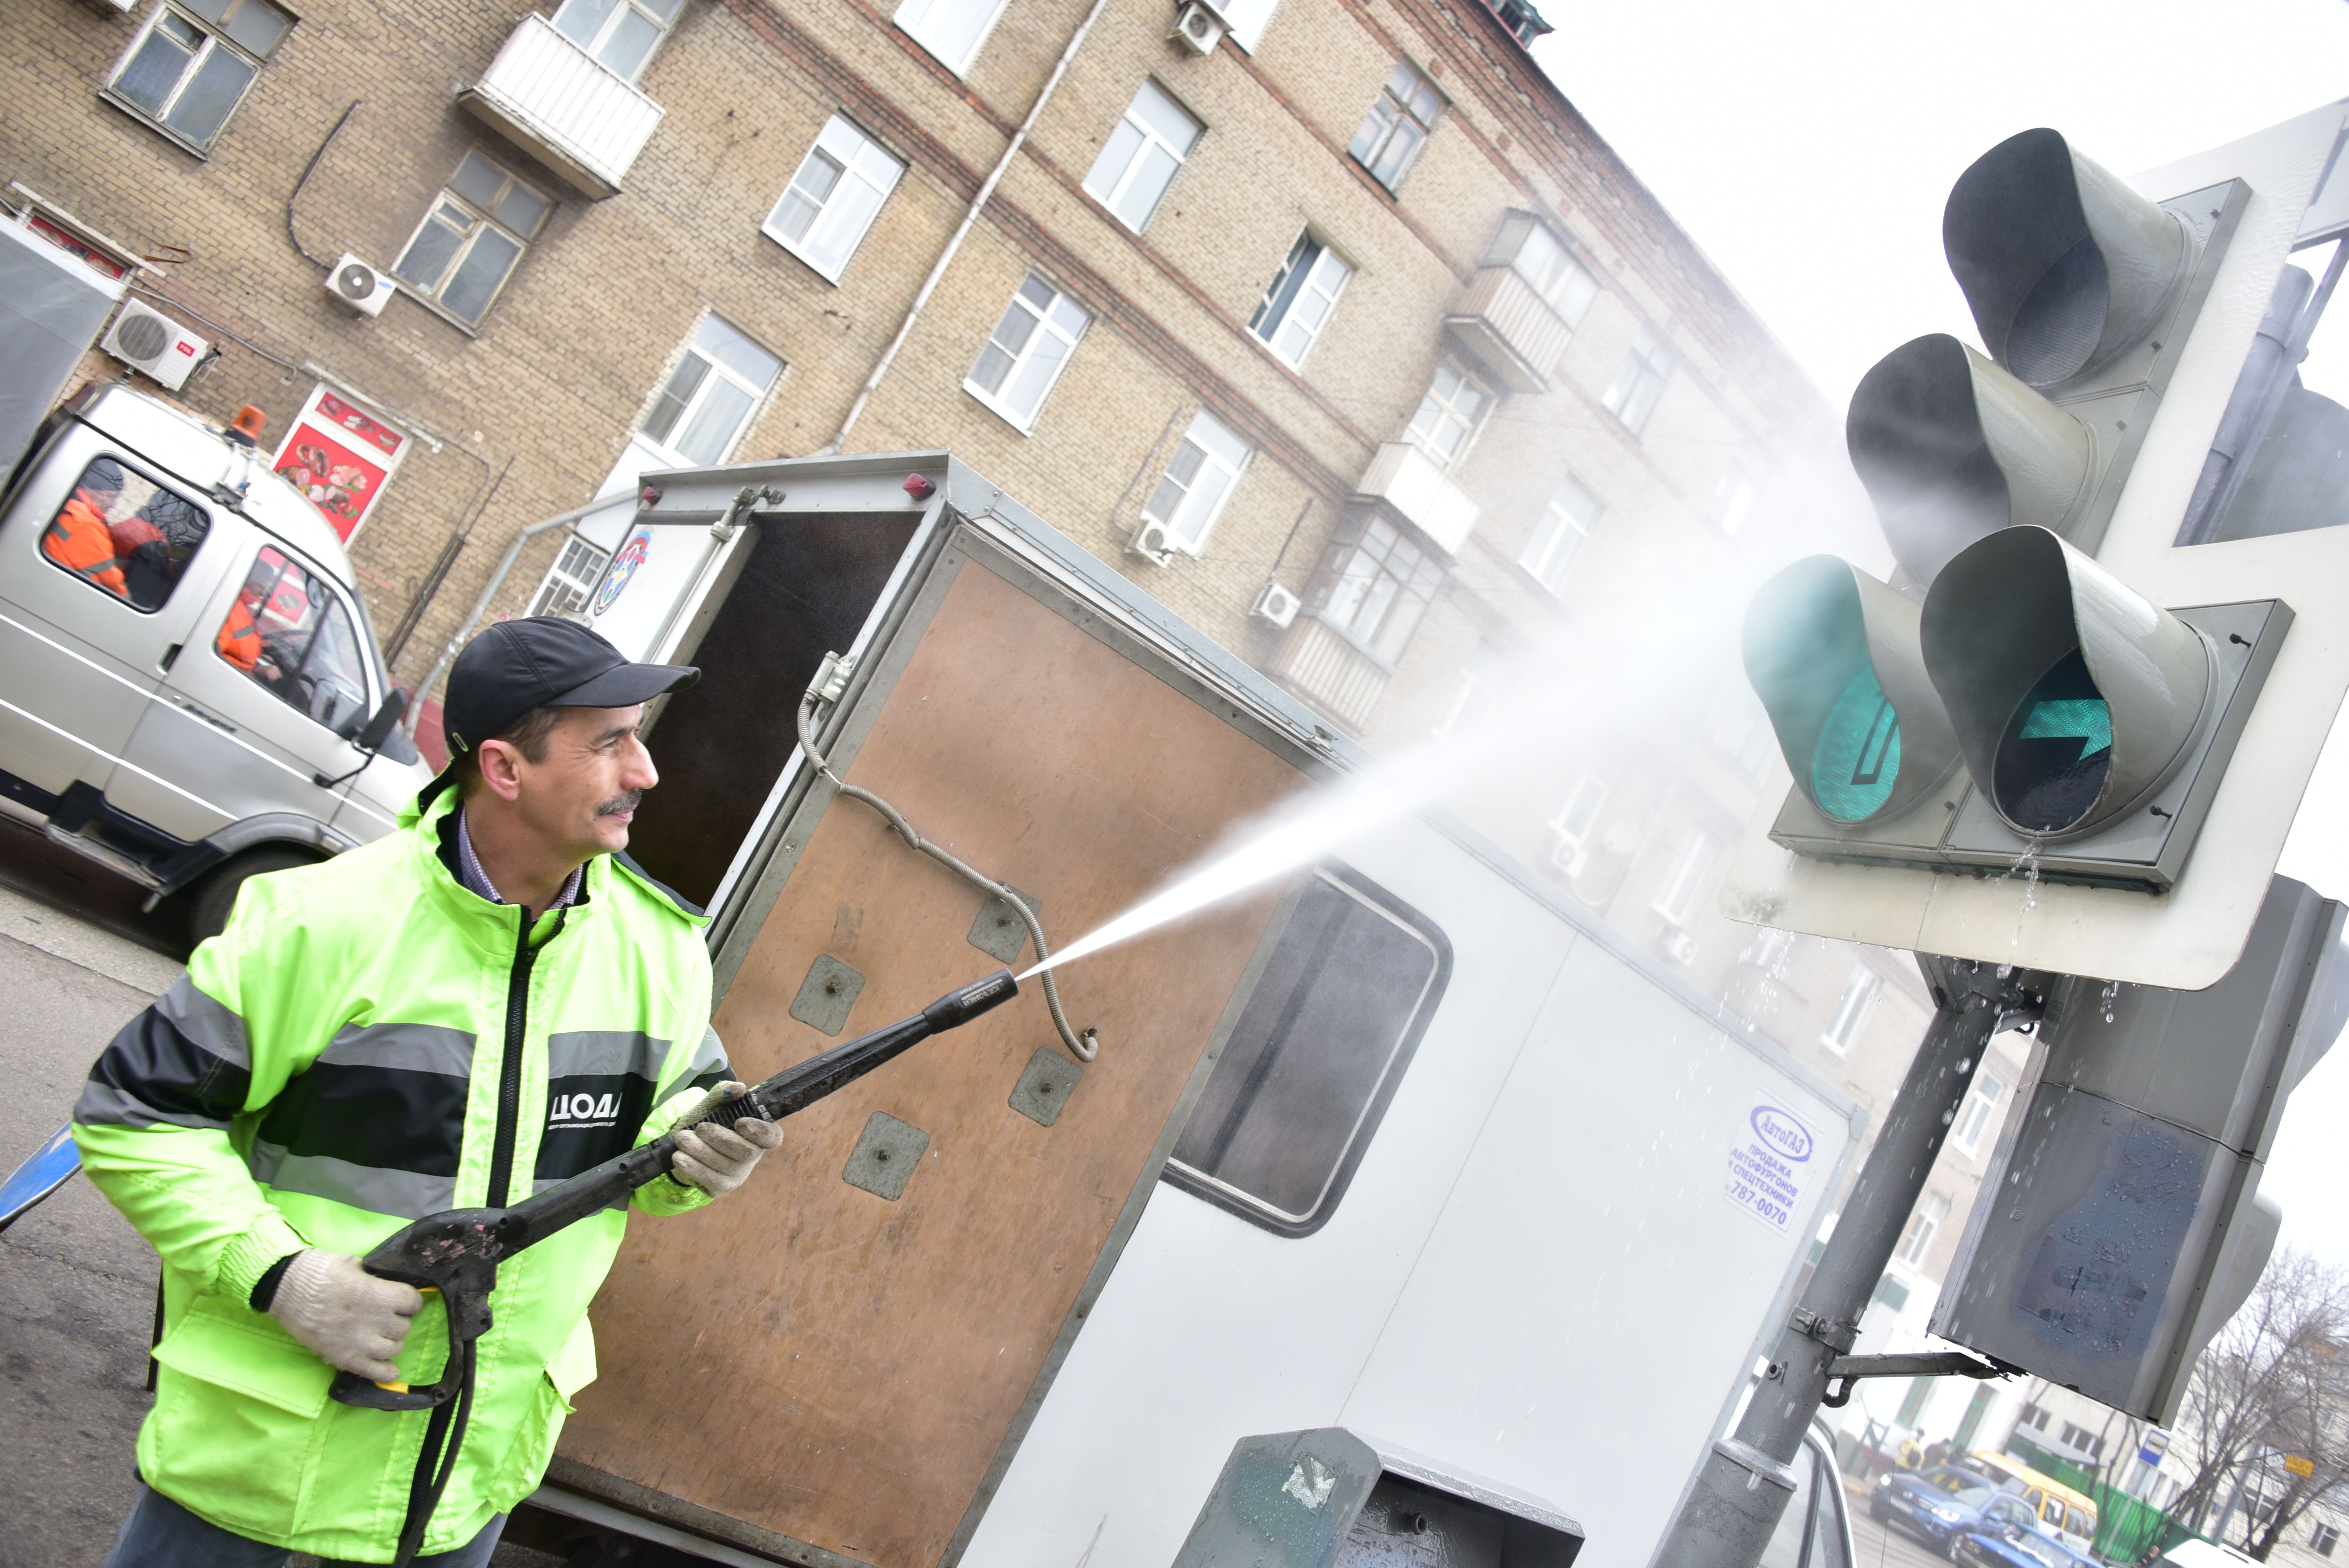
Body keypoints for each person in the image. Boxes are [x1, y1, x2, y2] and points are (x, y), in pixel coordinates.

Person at [73, 618, 784, 1567]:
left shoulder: (660, 948)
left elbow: (654, 1146)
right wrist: (283, 1276)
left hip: (465, 1479)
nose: (646, 770)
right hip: (259, 1469)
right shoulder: (317, 922)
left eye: (639, 736)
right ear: (503, 767)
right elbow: (134, 1115)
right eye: (611, 741)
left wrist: (696, 1156)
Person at [41, 456, 129, 598]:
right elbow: (114, 586)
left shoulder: (68, 504)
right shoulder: (85, 524)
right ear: (90, 490)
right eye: (111, 496)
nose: (113, 505)